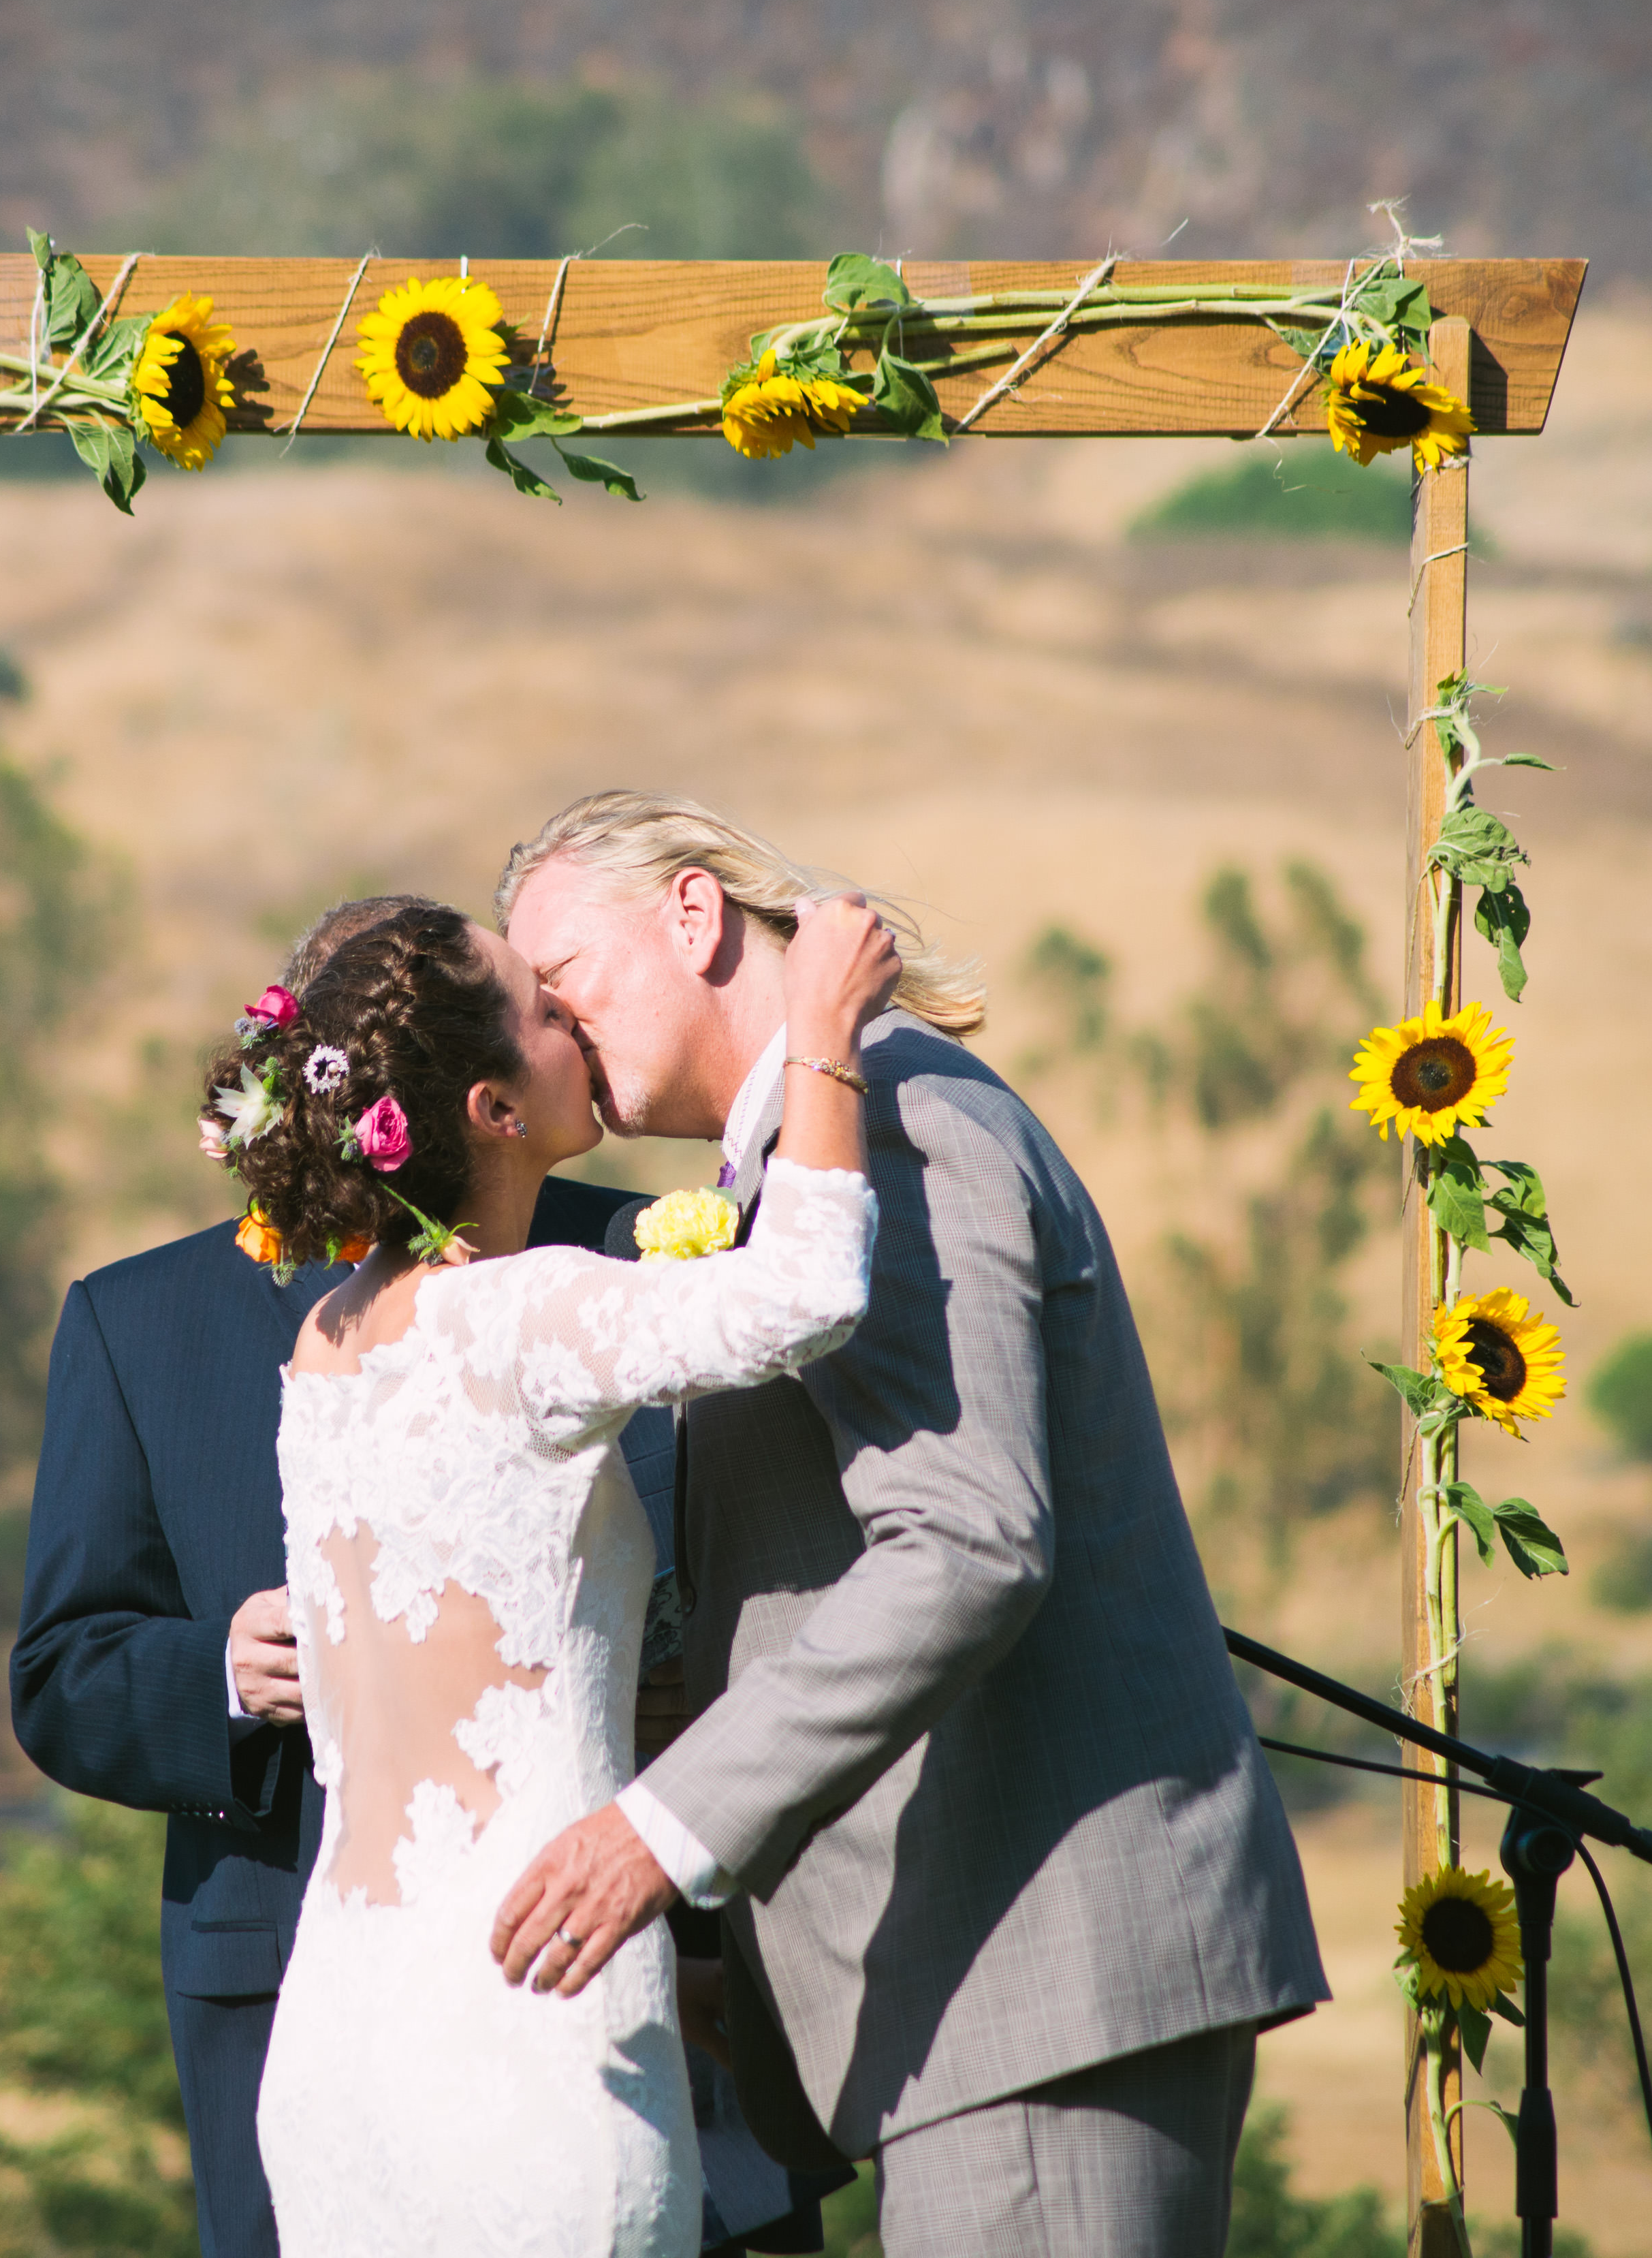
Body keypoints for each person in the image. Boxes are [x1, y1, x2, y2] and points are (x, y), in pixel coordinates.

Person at [490, 792, 1330, 2258]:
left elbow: (966, 1542)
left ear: (694, 917)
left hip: (1039, 1971)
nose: (555, 1037)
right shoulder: (809, 1156)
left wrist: (665, 1825)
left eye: (563, 984)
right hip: (986, 1988)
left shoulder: (895, 1127)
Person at [12, 899, 835, 2258]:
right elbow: (57, 1679)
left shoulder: (634, 1251)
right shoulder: (137, 1322)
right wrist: (223, 1671)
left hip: (659, 1991)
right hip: (320, 2001)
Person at [225, 892, 900, 2257]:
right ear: (490, 1105)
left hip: (339, 2034)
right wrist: (823, 1030)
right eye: (542, 1006)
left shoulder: (325, 1344)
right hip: (528, 2014)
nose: (570, 1014)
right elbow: (810, 1291)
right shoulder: (515, 1312)